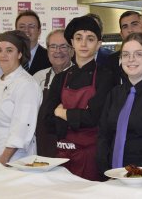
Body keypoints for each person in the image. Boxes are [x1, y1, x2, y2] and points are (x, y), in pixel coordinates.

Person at [44, 16, 114, 181]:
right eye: (78, 38)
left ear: (98, 44)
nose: (83, 44)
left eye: (90, 39)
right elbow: (47, 120)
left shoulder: (106, 77)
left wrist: (61, 113)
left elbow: (94, 118)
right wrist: (78, 117)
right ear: (72, 43)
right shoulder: (60, 78)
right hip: (62, 155)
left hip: (91, 156)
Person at [97, 32, 142, 175]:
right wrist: (105, 170)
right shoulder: (114, 94)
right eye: (126, 54)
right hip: (112, 175)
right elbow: (104, 135)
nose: (131, 59)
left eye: (139, 54)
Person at [0, 30, 42, 165]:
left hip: (13, 159)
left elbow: (22, 127)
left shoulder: (27, 84)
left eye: (9, 50)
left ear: (19, 54)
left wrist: (4, 159)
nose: (3, 55)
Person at [33, 29, 73, 157]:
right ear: (48, 50)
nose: (58, 51)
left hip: (72, 145)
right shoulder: (38, 78)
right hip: (44, 145)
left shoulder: (81, 77)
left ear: (72, 50)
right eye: (53, 46)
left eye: (63, 46)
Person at [15, 10, 51, 75]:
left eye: (31, 26)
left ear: (39, 31)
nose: (26, 30)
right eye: (22, 27)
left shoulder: (50, 57)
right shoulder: (9, 57)